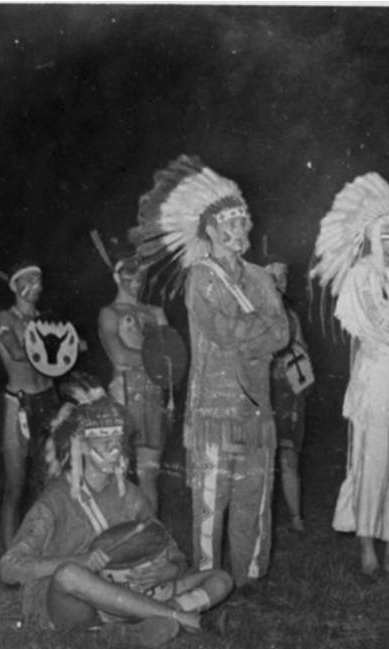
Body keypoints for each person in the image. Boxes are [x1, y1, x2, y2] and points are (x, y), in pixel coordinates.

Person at [129, 155, 289, 591]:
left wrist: (251, 331)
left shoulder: (260, 277)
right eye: (231, 223)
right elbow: (219, 330)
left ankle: (249, 578)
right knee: (210, 501)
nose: (241, 230)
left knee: (252, 495)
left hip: (256, 410)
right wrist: (256, 330)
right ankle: (206, 578)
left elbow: (282, 332)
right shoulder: (200, 277)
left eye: (243, 222)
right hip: (215, 411)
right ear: (213, 230)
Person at [0, 381, 232, 646]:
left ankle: (137, 626)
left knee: (221, 579)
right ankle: (188, 619)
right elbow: (9, 567)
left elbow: (171, 551)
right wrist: (79, 559)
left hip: (130, 594)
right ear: (81, 446)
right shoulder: (56, 498)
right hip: (76, 603)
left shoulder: (130, 495)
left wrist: (166, 571)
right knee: (68, 573)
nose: (115, 451)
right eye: (105, 441)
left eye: (118, 442)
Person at [310, 172, 389, 574]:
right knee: (373, 464)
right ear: (370, 234)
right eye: (386, 232)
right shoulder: (361, 275)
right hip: (378, 380)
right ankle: (367, 549)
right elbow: (370, 321)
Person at [98, 254, 171, 515]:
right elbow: (119, 355)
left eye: (141, 274)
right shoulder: (110, 313)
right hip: (123, 394)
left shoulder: (155, 312)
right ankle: (119, 535)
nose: (137, 279)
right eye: (131, 273)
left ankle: (150, 534)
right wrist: (155, 360)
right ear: (117, 276)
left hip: (153, 396)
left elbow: (172, 356)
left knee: (149, 474)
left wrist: (156, 360)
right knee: (118, 473)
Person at [0, 261, 61, 549]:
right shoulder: (5, 318)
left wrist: (71, 345)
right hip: (19, 404)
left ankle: (44, 549)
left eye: (39, 280)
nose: (36, 285)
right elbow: (16, 352)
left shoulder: (47, 319)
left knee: (49, 481)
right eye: (29, 280)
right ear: (15, 285)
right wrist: (63, 345)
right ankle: (11, 555)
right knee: (16, 485)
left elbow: (68, 352)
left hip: (49, 400)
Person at [267, 260, 314, 533]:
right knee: (262, 457)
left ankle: (296, 517)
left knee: (288, 456)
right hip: (263, 392)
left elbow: (302, 350)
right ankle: (262, 517)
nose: (279, 283)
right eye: (274, 277)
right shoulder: (254, 313)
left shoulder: (292, 316)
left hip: (289, 394)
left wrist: (298, 356)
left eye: (283, 278)